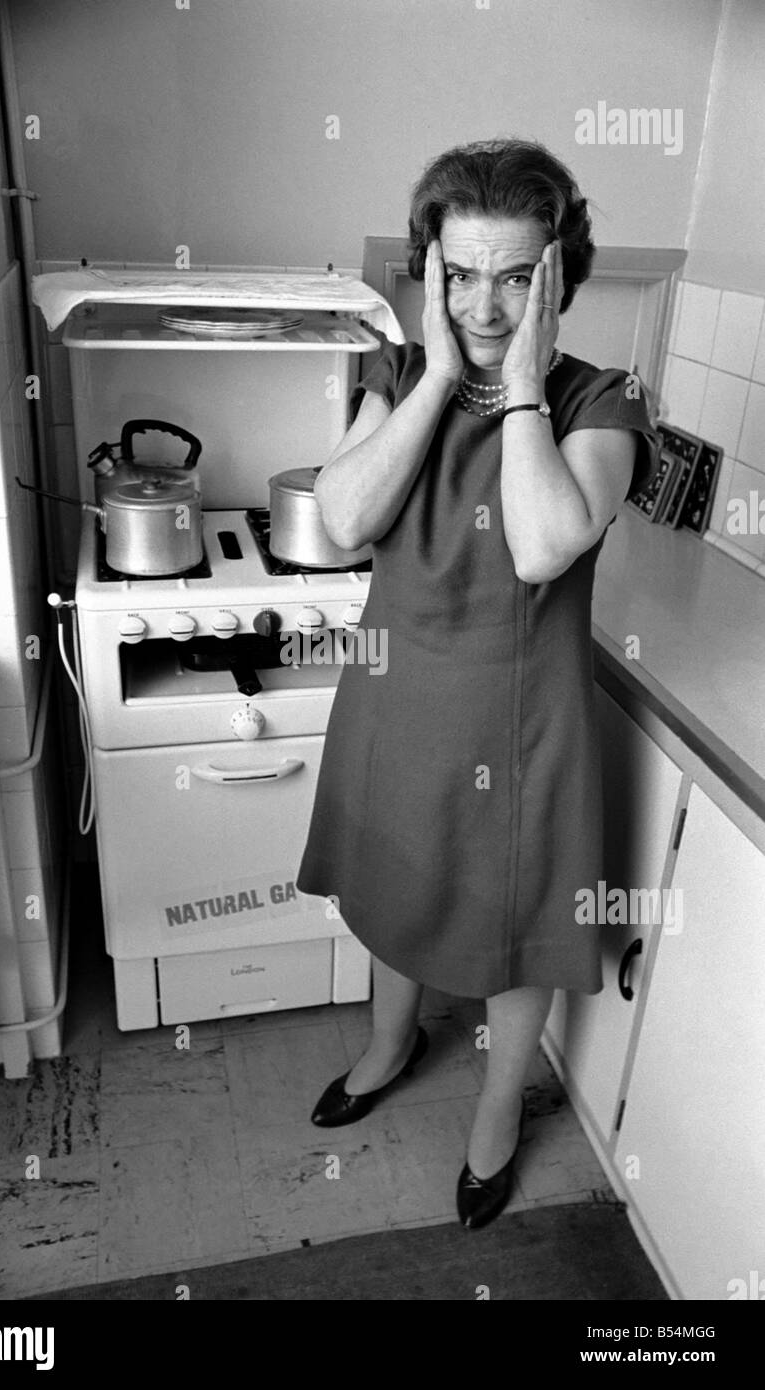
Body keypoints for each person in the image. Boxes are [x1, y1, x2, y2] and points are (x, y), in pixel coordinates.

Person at [296, 137, 657, 1229]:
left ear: (559, 277)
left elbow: (544, 544)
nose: (485, 302)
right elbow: (345, 519)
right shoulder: (397, 375)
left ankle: (498, 1114)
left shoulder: (602, 401)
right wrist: (444, 376)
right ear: (428, 271)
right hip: (397, 703)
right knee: (394, 888)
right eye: (460, 273)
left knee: (513, 927)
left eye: (514, 276)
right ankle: (387, 1044)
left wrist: (519, 392)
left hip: (521, 719)